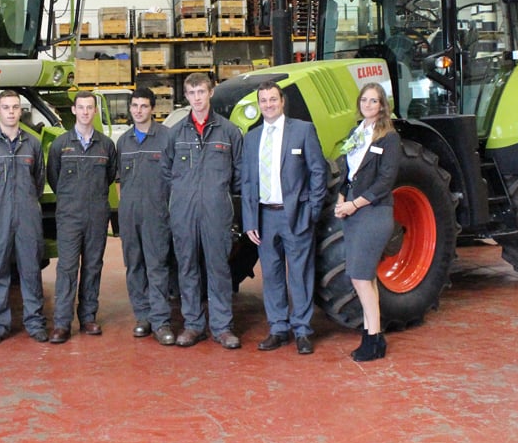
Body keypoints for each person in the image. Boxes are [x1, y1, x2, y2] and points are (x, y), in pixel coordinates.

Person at [241, 81, 328, 354]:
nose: (268, 104)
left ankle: (302, 330)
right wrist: (249, 220)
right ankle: (278, 328)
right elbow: (246, 182)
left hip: (296, 215)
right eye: (263, 100)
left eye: (272, 99)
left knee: (300, 274)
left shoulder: (302, 131)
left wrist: (313, 211)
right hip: (265, 217)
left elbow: (318, 172)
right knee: (272, 275)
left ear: (282, 102)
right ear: (259, 104)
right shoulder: (252, 138)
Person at [162, 72, 243, 349]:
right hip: (184, 212)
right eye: (192, 93)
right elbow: (166, 173)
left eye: (201, 92)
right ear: (186, 97)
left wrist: (217, 196)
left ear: (211, 92)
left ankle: (222, 327)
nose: (197, 98)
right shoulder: (175, 134)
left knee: (219, 267)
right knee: (187, 267)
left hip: (216, 211)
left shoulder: (229, 132)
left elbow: (239, 175)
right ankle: (193, 324)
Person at [0, 90, 50, 345]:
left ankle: (35, 322)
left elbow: (38, 181)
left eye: (15, 107)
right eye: (6, 107)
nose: (11, 112)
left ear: (20, 110)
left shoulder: (33, 144)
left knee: (30, 269)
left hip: (27, 216)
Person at [334, 82, 401, 362]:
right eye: (365, 100)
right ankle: (373, 336)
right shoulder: (356, 132)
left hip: (373, 212)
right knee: (364, 277)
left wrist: (354, 204)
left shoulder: (389, 138)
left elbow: (386, 181)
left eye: (374, 101)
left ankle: (372, 338)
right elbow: (346, 171)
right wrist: (340, 198)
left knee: (360, 277)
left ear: (382, 106)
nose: (369, 105)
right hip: (353, 211)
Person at [47, 91, 119, 343]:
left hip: (97, 215)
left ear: (95, 112)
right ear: (74, 110)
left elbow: (109, 176)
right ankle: (62, 323)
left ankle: (88, 317)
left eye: (90, 108)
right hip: (68, 216)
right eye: (81, 107)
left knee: (92, 267)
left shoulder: (106, 145)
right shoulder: (60, 145)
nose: (86, 112)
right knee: (66, 268)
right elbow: (53, 177)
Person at [116, 87, 175, 345]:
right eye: (134, 106)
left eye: (143, 106)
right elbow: (119, 180)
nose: (138, 111)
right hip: (130, 214)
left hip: (157, 213)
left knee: (158, 266)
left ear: (153, 108)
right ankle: (143, 317)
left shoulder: (166, 138)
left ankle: (161, 321)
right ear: (130, 109)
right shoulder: (123, 141)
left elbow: (176, 178)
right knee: (134, 265)